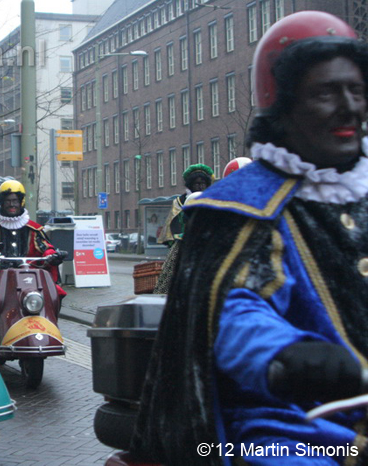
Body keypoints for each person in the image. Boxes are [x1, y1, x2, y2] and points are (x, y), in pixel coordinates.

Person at [131, 11, 368, 464]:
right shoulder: (241, 206)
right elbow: (236, 307)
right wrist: (285, 356)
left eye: (356, 90)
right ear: (283, 103)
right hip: (292, 425)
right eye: (325, 92)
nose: (349, 106)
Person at [0, 180, 66, 299]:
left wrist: (53, 255)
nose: (12, 204)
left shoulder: (33, 229)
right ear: (2, 203)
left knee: (55, 291)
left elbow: (45, 248)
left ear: (21, 202)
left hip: (30, 276)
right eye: (8, 201)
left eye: (15, 201)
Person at [152, 164, 213, 294]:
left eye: (203, 183)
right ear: (190, 185)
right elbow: (174, 223)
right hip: (184, 243)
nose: (200, 186)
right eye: (197, 184)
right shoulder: (179, 201)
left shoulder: (215, 198)